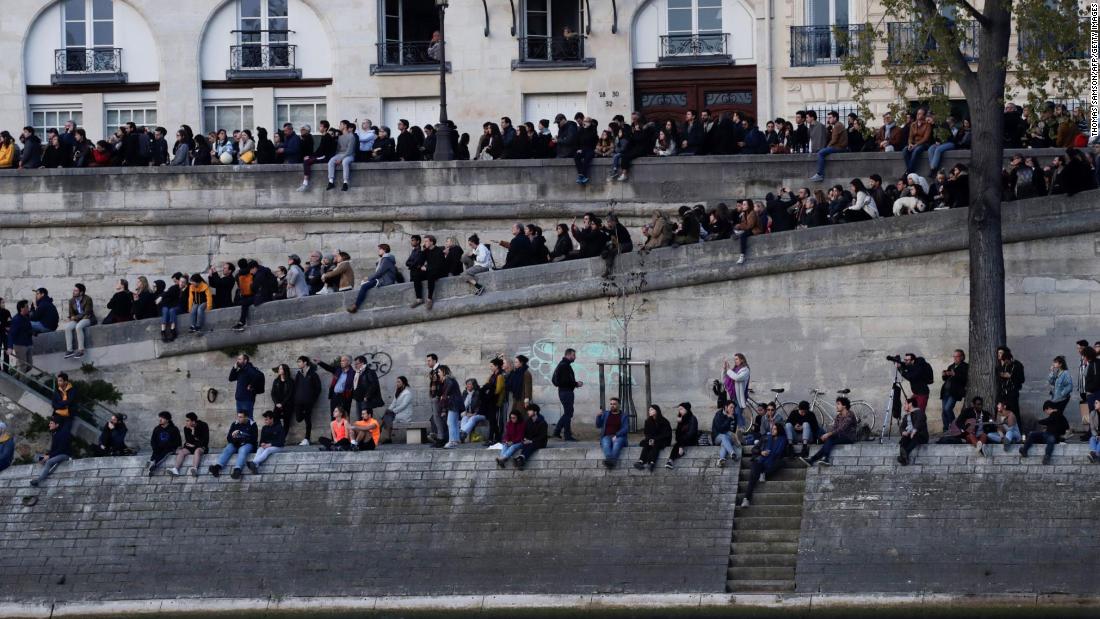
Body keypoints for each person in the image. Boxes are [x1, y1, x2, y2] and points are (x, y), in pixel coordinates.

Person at [740, 423, 788, 507]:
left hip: (772, 463)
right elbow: (754, 449)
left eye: (775, 429)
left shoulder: (783, 440)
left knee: (782, 462)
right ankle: (746, 499)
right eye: (772, 429)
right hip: (760, 460)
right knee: (753, 476)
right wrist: (761, 452)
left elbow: (785, 453)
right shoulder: (765, 438)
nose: (772, 430)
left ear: (779, 430)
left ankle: (764, 474)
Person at [801, 397, 858, 467]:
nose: (836, 406)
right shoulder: (838, 416)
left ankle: (815, 459)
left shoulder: (850, 414)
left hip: (849, 437)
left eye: (838, 404)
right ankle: (821, 459)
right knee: (829, 439)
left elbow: (842, 428)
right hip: (840, 436)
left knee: (830, 438)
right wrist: (826, 435)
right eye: (836, 404)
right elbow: (834, 428)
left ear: (844, 405)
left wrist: (828, 434)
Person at [1020, 401, 1068, 465]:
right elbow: (1051, 421)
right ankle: (1024, 450)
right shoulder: (1057, 415)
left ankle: (1047, 456)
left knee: (1049, 439)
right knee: (1033, 434)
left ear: (1048, 408)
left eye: (1046, 411)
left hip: (1052, 436)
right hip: (1046, 434)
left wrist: (1039, 421)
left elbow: (1048, 421)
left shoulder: (1056, 414)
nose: (1047, 413)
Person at [551, 348, 583, 441]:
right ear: (568, 355)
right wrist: (576, 384)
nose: (575, 357)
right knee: (568, 414)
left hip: (564, 392)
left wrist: (574, 383)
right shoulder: (564, 366)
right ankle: (567, 435)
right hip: (566, 392)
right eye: (573, 355)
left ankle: (557, 432)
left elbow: (558, 380)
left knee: (568, 413)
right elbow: (565, 381)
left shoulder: (562, 365)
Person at [30, 416, 71, 487]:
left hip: (64, 455)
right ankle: (49, 466)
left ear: (57, 425)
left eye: (51, 423)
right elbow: (53, 449)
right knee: (36, 457)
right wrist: (46, 455)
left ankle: (38, 480)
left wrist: (49, 456)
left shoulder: (63, 434)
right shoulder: (55, 433)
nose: (49, 425)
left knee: (49, 461)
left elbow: (61, 449)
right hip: (55, 455)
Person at [410, 235, 445, 310]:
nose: (424, 243)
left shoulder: (438, 251)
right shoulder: (426, 251)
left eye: (426, 241)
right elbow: (419, 262)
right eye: (424, 241)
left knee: (430, 274)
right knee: (416, 274)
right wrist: (422, 251)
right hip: (429, 270)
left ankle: (429, 299)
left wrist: (426, 268)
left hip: (438, 272)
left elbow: (439, 265)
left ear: (432, 242)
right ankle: (419, 298)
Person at [61, 283, 96, 360]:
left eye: (76, 291)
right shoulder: (71, 300)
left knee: (78, 326)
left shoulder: (88, 299)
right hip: (78, 319)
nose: (74, 292)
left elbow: (87, 312)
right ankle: (70, 350)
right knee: (67, 327)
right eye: (74, 290)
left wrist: (75, 317)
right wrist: (71, 318)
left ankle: (81, 350)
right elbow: (71, 313)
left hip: (88, 318)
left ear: (81, 292)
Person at [169, 412, 209, 477]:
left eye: (188, 421)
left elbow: (205, 441)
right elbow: (188, 441)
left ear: (193, 422)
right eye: (186, 421)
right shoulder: (186, 428)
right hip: (191, 447)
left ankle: (195, 469)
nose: (186, 422)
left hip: (202, 447)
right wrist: (192, 444)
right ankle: (175, 469)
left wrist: (193, 432)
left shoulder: (203, 425)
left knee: (197, 451)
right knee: (182, 451)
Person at [633, 405, 672, 471]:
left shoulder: (664, 421)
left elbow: (666, 434)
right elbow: (646, 433)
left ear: (656, 411)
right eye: (649, 410)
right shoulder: (648, 421)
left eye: (651, 410)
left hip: (663, 440)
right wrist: (651, 440)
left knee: (656, 445)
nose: (649, 411)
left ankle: (652, 463)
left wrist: (654, 440)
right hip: (652, 439)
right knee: (647, 444)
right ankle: (641, 461)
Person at [940, 349, 969, 432]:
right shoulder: (951, 366)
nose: (955, 358)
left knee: (947, 409)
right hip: (945, 391)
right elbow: (945, 379)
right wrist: (944, 375)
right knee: (944, 412)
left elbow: (965, 379)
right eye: (954, 356)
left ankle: (955, 427)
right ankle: (946, 429)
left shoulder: (965, 366)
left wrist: (955, 374)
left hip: (954, 392)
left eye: (957, 356)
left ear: (962, 357)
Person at [229, 353, 265, 419]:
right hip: (239, 399)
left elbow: (259, 375)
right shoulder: (241, 370)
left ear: (245, 360)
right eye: (237, 359)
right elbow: (231, 378)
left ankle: (252, 429)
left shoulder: (249, 369)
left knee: (248, 418)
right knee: (240, 420)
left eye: (239, 359)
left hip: (247, 399)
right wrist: (234, 368)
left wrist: (251, 385)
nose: (237, 361)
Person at [146, 411, 182, 477]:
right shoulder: (157, 429)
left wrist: (176, 447)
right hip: (158, 448)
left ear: (167, 420)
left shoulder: (174, 429)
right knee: (155, 453)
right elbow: (153, 440)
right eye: (160, 418)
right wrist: (154, 447)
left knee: (164, 454)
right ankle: (151, 466)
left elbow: (178, 440)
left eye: (162, 418)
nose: (160, 419)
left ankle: (154, 465)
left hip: (169, 448)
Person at [596, 397, 630, 467]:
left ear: (619, 405)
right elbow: (598, 425)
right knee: (605, 443)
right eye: (611, 404)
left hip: (619, 437)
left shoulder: (624, 416)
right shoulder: (606, 414)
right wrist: (598, 416)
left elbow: (625, 428)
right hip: (606, 436)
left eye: (614, 404)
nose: (612, 405)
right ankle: (610, 460)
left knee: (617, 443)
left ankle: (610, 461)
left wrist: (617, 435)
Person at [664, 402, 699, 469]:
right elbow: (677, 434)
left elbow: (691, 433)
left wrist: (681, 445)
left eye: (681, 409)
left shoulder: (692, 418)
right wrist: (680, 423)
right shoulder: (681, 419)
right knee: (678, 443)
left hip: (691, 440)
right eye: (679, 409)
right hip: (682, 441)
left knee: (678, 443)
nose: (680, 411)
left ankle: (670, 460)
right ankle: (670, 461)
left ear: (687, 409)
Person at [436, 365, 464, 449]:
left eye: (439, 372)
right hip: (455, 402)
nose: (438, 373)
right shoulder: (449, 379)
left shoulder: (448, 379)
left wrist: (444, 396)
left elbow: (448, 390)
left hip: (453, 403)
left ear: (444, 372)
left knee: (450, 422)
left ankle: (452, 441)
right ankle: (456, 440)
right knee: (454, 422)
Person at [514, 403, 548, 469]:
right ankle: (521, 460)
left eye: (530, 410)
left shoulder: (543, 422)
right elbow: (525, 433)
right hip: (530, 441)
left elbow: (542, 436)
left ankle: (521, 458)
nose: (528, 412)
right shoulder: (528, 421)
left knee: (532, 444)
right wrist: (525, 439)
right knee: (525, 444)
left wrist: (531, 441)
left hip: (540, 442)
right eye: (528, 410)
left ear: (535, 412)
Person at [722, 354, 751, 430]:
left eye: (737, 359)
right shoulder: (734, 370)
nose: (735, 361)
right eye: (734, 359)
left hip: (740, 396)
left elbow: (737, 378)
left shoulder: (745, 370)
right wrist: (724, 369)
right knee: (734, 414)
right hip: (733, 396)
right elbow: (724, 379)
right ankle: (738, 431)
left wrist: (728, 370)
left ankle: (743, 430)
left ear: (742, 360)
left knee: (737, 413)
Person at [897, 397, 928, 465]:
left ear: (910, 404)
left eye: (905, 404)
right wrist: (903, 432)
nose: (904, 406)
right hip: (910, 435)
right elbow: (902, 427)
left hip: (921, 436)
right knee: (903, 439)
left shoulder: (920, 412)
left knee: (915, 435)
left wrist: (914, 430)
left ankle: (905, 454)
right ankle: (904, 458)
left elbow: (919, 421)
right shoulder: (906, 416)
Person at [996, 346, 1026, 418]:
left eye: (1001, 353)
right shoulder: (999, 367)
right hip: (1002, 394)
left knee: (1013, 413)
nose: (999, 355)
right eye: (998, 353)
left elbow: (1021, 379)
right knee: (1002, 414)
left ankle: (1016, 428)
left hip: (1012, 394)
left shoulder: (1016, 365)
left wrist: (1011, 376)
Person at [712, 401, 741, 467]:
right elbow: (720, 429)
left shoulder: (734, 416)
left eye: (734, 408)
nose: (733, 409)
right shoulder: (719, 415)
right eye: (731, 407)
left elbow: (733, 430)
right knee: (724, 437)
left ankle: (721, 459)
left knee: (724, 443)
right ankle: (732, 453)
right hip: (717, 437)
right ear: (726, 407)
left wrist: (736, 439)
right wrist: (728, 419)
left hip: (727, 438)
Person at [8, 300, 33, 373]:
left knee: (30, 366)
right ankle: (20, 383)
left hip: (29, 344)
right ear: (22, 308)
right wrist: (10, 347)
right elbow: (11, 334)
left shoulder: (26, 317)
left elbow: (27, 329)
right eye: (27, 307)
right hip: (20, 345)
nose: (28, 308)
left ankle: (16, 379)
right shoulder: (16, 319)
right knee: (23, 366)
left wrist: (33, 332)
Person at [270, 363, 294, 431]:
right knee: (274, 419)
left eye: (280, 369)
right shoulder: (276, 381)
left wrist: (282, 404)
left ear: (284, 370)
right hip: (277, 405)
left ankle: (283, 439)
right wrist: (276, 403)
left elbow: (290, 394)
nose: (279, 370)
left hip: (287, 405)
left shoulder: (290, 381)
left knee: (286, 422)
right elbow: (272, 393)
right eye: (279, 368)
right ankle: (278, 436)